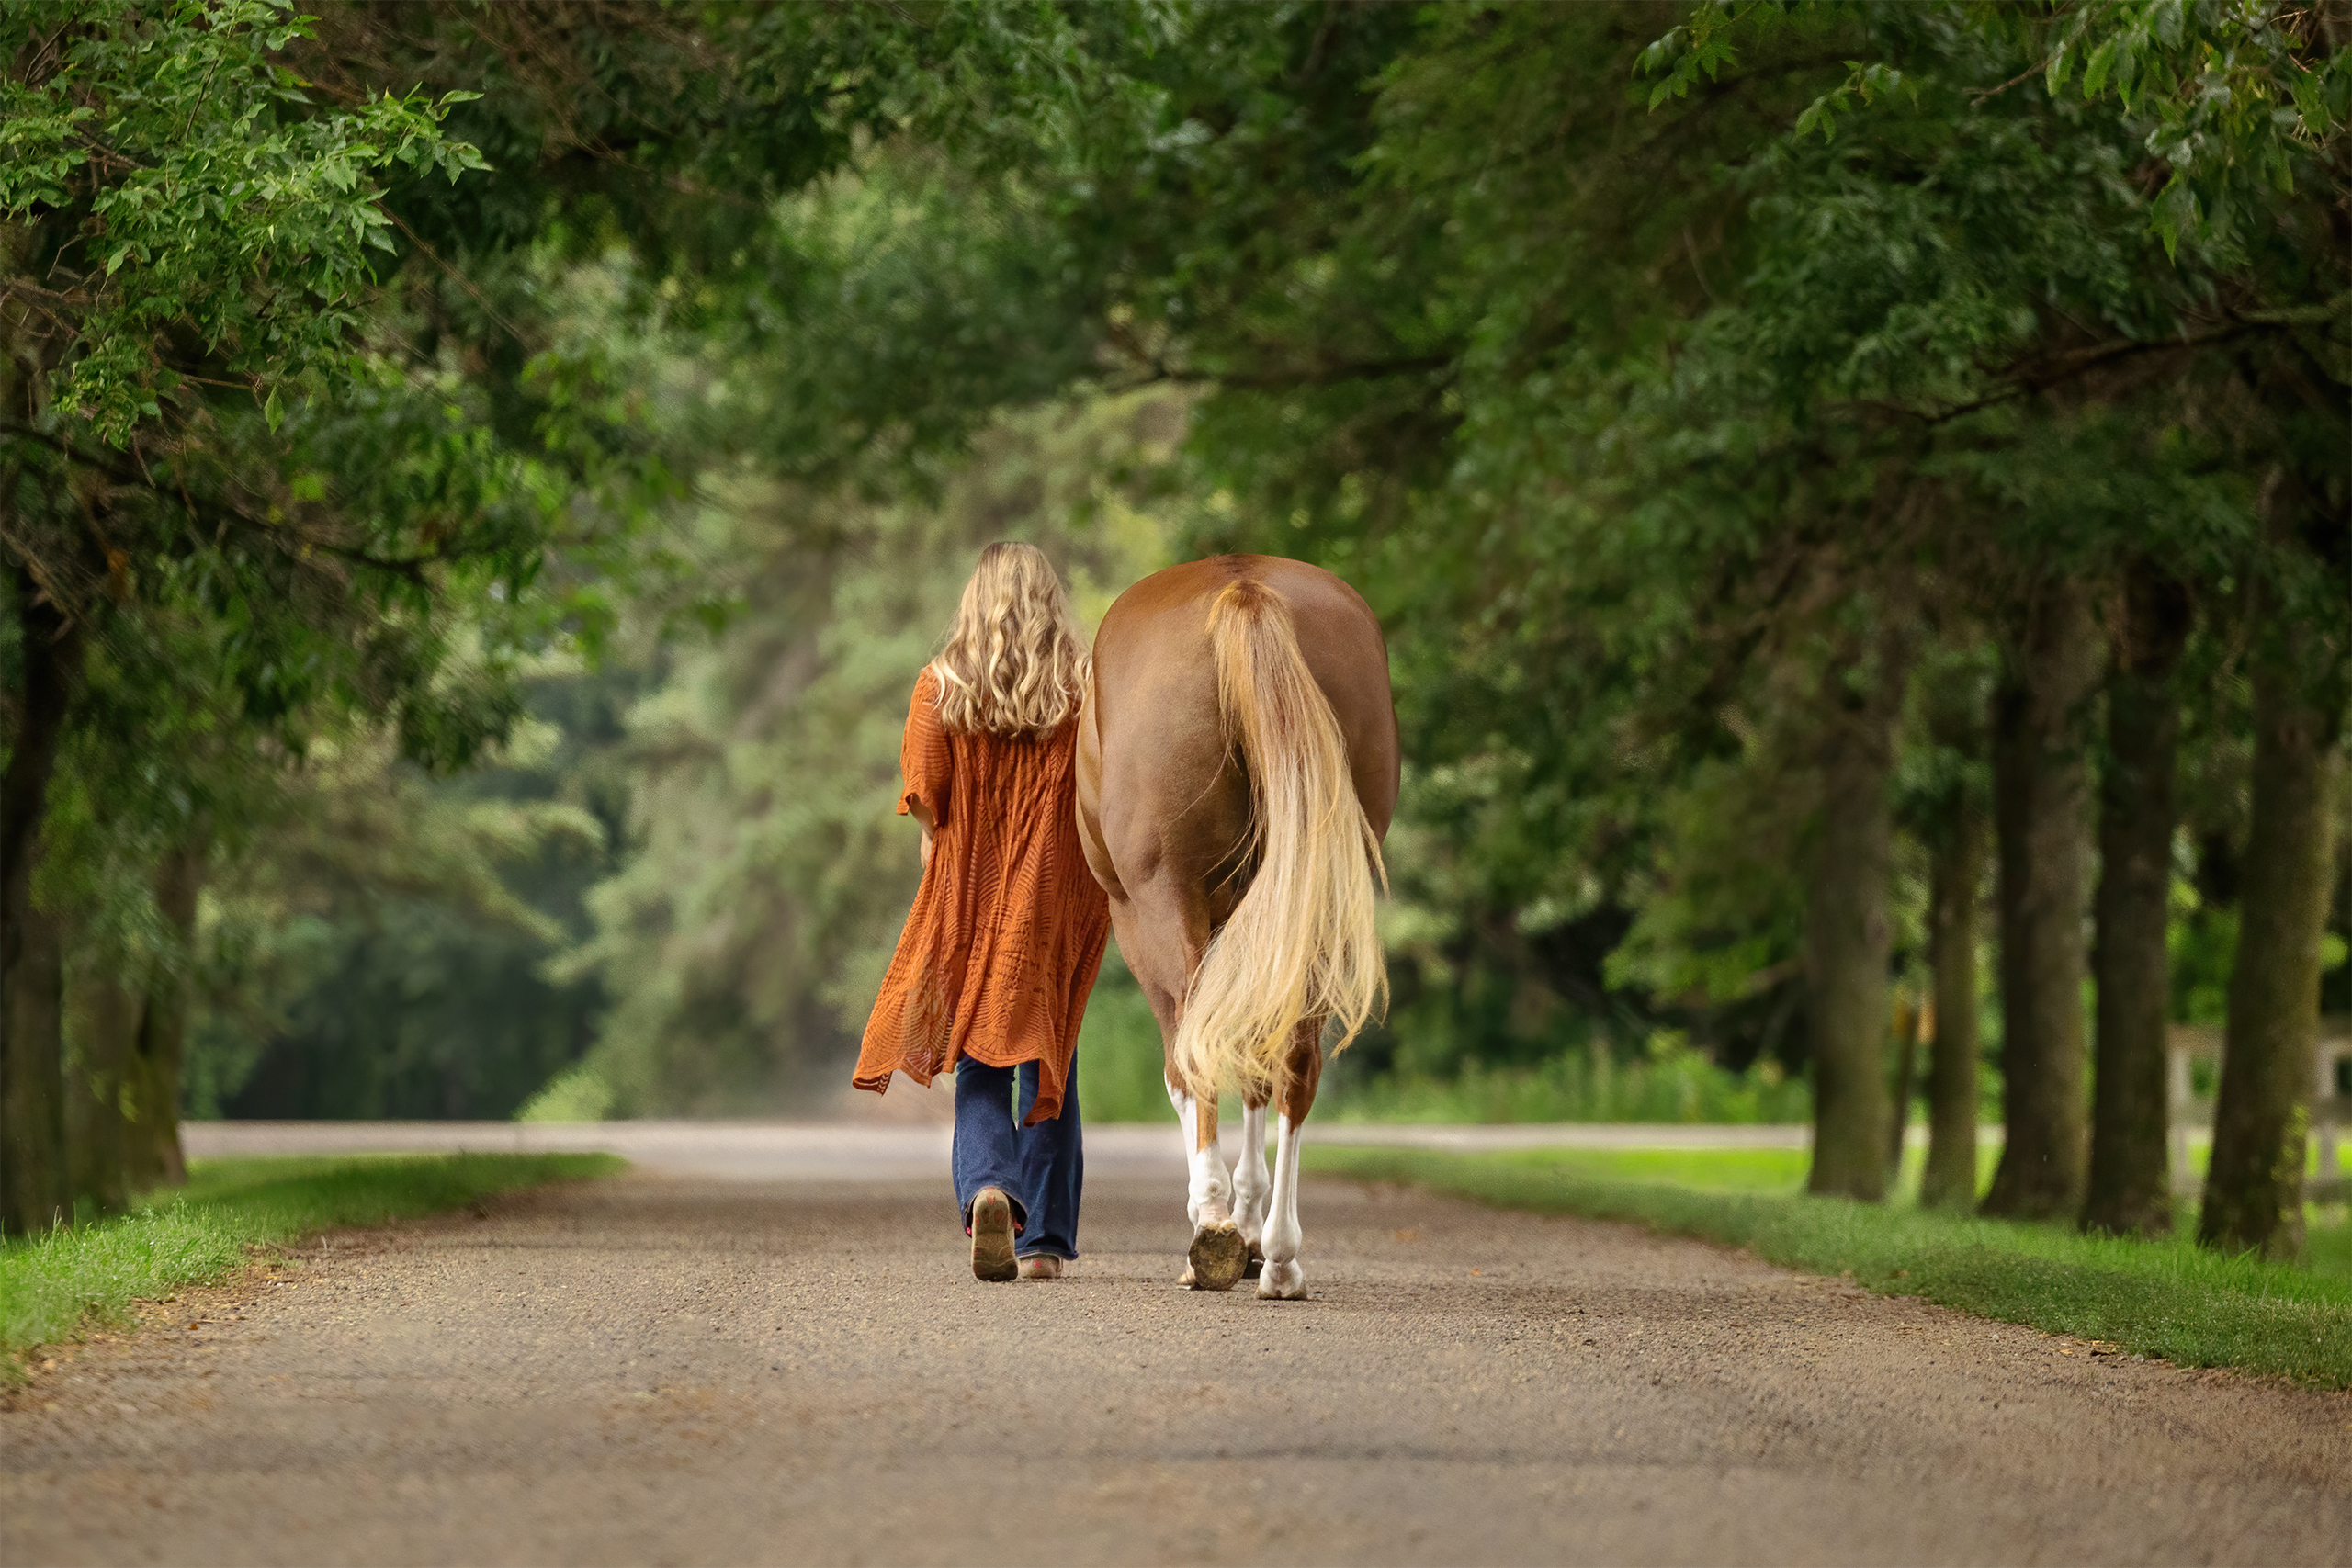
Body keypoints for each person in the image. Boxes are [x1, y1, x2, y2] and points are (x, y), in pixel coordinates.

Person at [852, 542, 1111, 1281]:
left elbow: (927, 801)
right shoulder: (1085, 691)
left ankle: (991, 1189)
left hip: (969, 892)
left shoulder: (938, 687)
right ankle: (1046, 1242)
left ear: (975, 600)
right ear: (1051, 604)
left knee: (978, 1061)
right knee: (1047, 1051)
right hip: (1057, 893)